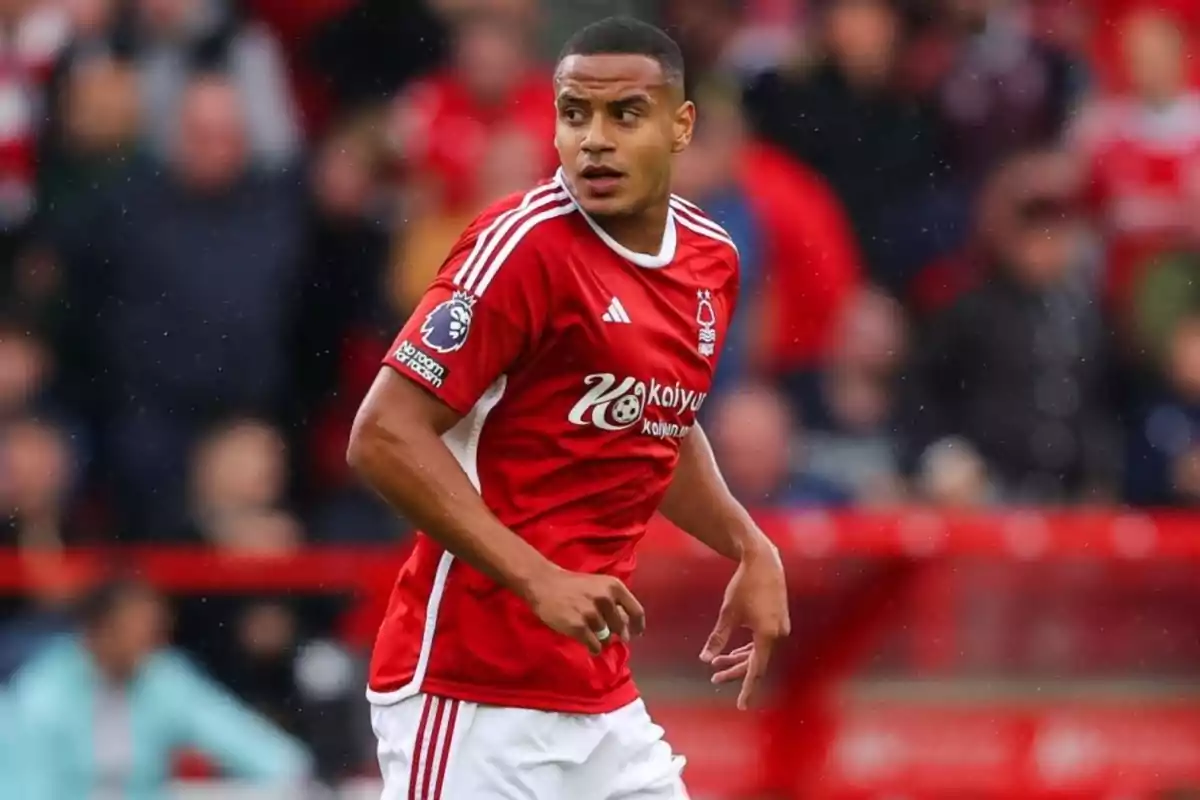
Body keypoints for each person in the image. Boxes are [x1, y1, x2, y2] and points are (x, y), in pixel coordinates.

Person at [346, 16, 790, 800]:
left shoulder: (709, 261)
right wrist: (538, 578)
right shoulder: (523, 248)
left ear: (680, 125)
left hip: (596, 694)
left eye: (625, 114)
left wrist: (748, 544)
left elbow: (657, 423)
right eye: (574, 113)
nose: (594, 139)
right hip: (472, 689)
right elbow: (382, 434)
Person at [3, 575, 312, 799]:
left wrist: (297, 775)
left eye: (154, 628)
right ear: (99, 629)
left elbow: (242, 739)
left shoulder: (163, 676)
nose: (150, 639)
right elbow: (26, 787)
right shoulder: (42, 691)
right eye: (136, 627)